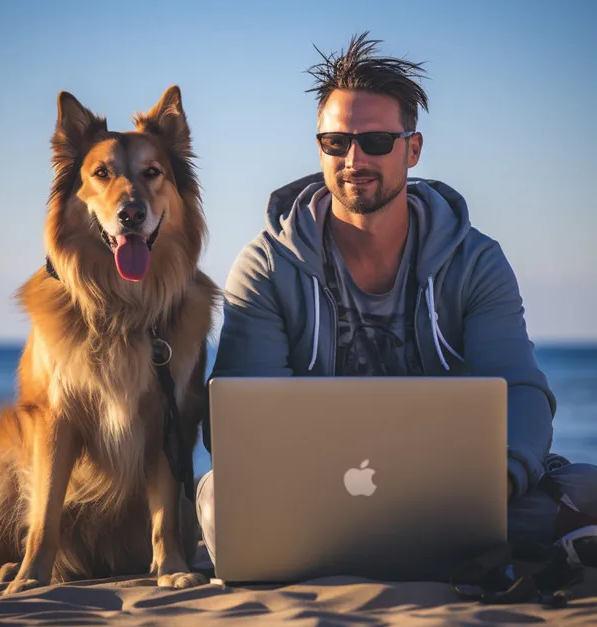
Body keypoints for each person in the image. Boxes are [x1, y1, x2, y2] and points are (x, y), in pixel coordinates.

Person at [196, 33, 597, 574]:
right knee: (221, 499)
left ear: (413, 148)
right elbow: (238, 425)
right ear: (320, 148)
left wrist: (493, 483)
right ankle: (447, 547)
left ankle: (392, 542)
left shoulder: (475, 261)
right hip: (312, 493)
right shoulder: (267, 265)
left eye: (377, 141)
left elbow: (521, 390)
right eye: (336, 142)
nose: (354, 158)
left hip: (452, 487)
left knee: (588, 487)